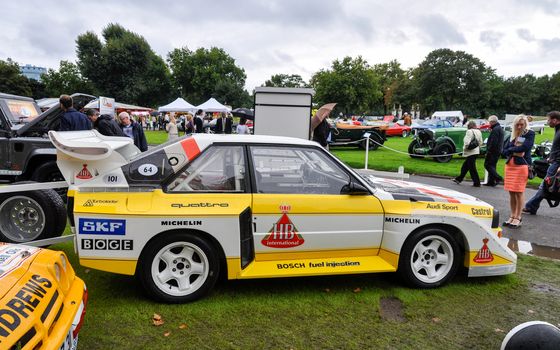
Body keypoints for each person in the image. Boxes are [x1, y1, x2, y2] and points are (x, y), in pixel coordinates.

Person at [523, 111, 560, 215]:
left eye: (548, 120)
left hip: (557, 164)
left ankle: (531, 206)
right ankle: (532, 206)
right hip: (555, 162)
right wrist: (550, 157)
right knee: (546, 186)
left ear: (555, 120)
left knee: (545, 186)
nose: (547, 122)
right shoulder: (558, 129)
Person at [502, 114, 535, 228]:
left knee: (519, 192)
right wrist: (513, 150)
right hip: (510, 167)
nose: (520, 127)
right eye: (518, 124)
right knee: (511, 192)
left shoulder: (529, 134)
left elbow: (524, 148)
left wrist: (511, 150)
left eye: (522, 124)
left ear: (525, 124)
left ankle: (518, 217)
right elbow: (504, 150)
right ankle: (512, 215)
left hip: (521, 166)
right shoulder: (513, 134)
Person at [453, 120, 483, 187]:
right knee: (465, 166)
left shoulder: (469, 131)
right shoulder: (479, 131)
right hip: (476, 152)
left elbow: (466, 143)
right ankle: (459, 179)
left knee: (472, 168)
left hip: (470, 152)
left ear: (469, 126)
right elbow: (481, 142)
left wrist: (465, 149)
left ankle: (477, 182)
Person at [483, 115, 505, 186]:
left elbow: (493, 142)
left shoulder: (495, 130)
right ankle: (491, 181)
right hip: (497, 150)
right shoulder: (499, 128)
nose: (489, 123)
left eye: (489, 122)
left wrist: (488, 151)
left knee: (487, 165)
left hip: (493, 151)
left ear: (492, 122)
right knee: (492, 166)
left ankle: (498, 178)